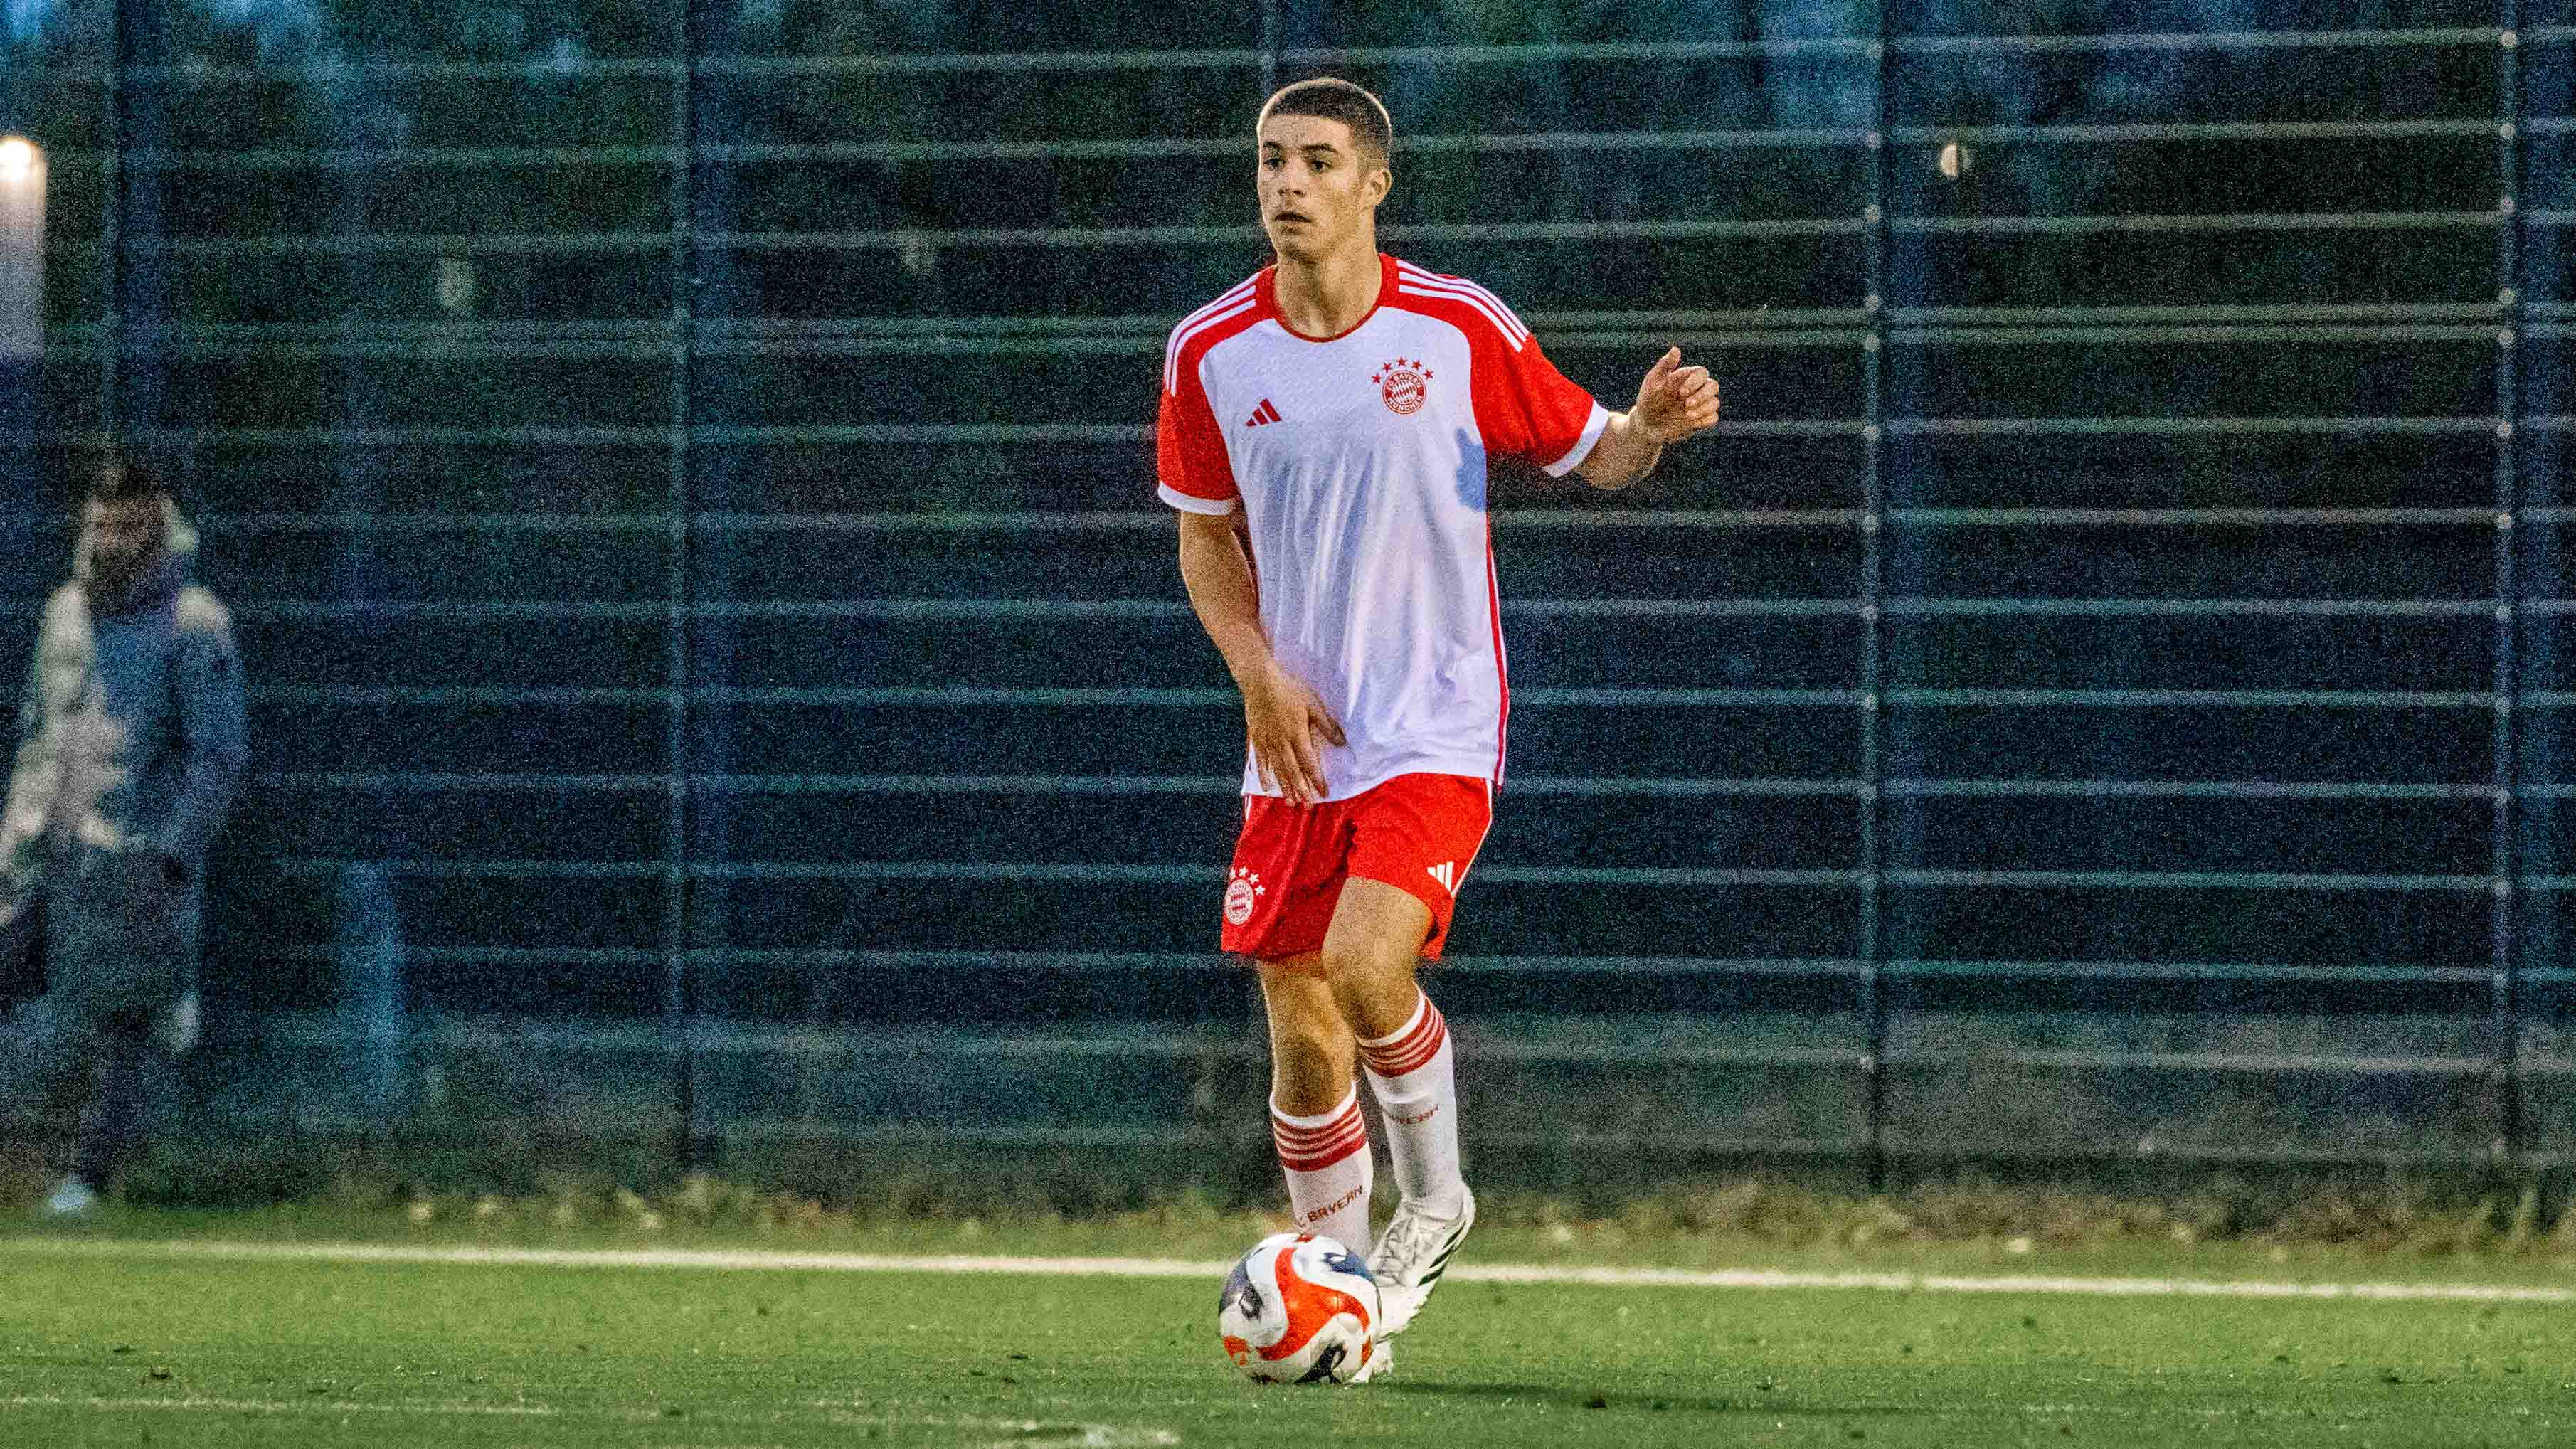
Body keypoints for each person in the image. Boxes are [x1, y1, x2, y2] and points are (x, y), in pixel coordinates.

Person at [1157, 77, 1720, 1367]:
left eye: (1314, 162)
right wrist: (1254, 671)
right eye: (1268, 161)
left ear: (1373, 186)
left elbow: (1600, 453)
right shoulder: (1210, 350)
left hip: (1434, 726)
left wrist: (1650, 427)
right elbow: (1203, 537)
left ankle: (1440, 1200)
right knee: (1303, 1041)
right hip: (1295, 743)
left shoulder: (1455, 328)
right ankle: (1346, 1310)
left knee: (1366, 970)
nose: (1286, 184)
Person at [0, 453, 247, 1218]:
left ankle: (89, 1180)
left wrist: (176, 854)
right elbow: (37, 728)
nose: (112, 542)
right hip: (47, 850)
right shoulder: (63, 611)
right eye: (101, 525)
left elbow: (219, 755)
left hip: (135, 857)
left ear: (159, 526)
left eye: (130, 527)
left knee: (127, 1018)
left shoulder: (197, 623)